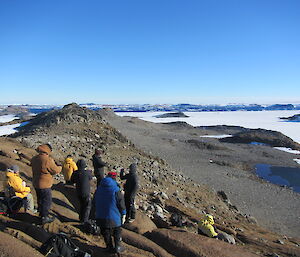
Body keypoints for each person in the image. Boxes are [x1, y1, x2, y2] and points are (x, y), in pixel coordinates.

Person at [31, 144, 62, 224]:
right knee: (46, 201)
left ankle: (41, 215)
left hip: (36, 183)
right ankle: (44, 217)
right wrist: (60, 167)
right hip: (45, 184)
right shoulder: (47, 160)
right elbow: (55, 170)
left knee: (40, 199)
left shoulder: (34, 158)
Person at [95, 175, 126, 253]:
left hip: (101, 216)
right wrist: (124, 213)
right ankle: (118, 247)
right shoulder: (115, 190)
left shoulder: (98, 189)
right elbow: (121, 203)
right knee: (117, 230)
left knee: (105, 231)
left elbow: (94, 202)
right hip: (114, 216)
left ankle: (109, 247)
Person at [71, 159, 92, 223]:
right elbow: (90, 178)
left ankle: (81, 218)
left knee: (82, 205)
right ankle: (84, 221)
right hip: (86, 192)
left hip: (78, 192)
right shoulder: (87, 173)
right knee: (87, 206)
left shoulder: (75, 173)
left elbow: (72, 180)